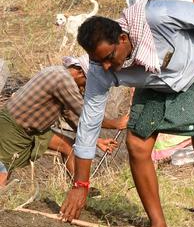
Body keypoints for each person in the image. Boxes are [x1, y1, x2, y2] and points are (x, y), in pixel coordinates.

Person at [62, 2, 194, 227]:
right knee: (137, 144)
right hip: (155, 85)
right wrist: (81, 185)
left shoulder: (157, 16)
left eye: (110, 57)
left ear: (123, 38)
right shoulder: (100, 69)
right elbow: (89, 122)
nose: (107, 66)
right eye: (100, 61)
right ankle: (158, 226)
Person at [0, 57, 125, 187]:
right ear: (80, 72)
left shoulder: (60, 75)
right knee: (4, 169)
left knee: (68, 147)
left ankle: (80, 188)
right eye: (87, 82)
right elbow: (85, 113)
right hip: (13, 127)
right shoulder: (63, 80)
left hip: (34, 130)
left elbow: (70, 115)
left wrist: (95, 140)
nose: (85, 87)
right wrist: (114, 123)